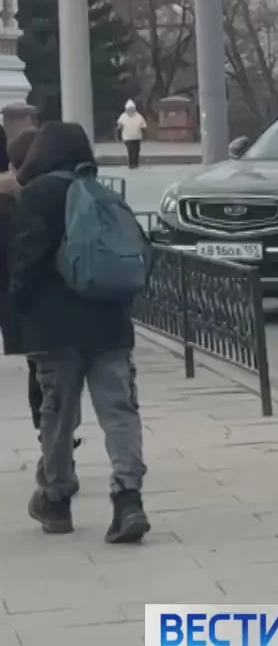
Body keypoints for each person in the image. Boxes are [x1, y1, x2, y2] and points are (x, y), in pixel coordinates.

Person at [12, 122, 147, 542]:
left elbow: (27, 261)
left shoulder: (36, 196)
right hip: (109, 322)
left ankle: (56, 500)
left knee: (59, 416)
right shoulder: (102, 192)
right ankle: (128, 501)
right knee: (119, 413)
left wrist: (17, 307)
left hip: (54, 328)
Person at [114, 101, 146, 170]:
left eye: (132, 109)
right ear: (126, 109)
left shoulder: (139, 116)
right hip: (127, 137)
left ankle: (136, 163)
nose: (130, 111)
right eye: (129, 109)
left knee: (136, 150)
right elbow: (119, 127)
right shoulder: (123, 116)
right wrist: (118, 136)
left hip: (137, 137)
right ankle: (131, 164)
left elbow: (143, 126)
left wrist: (144, 134)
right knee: (130, 150)